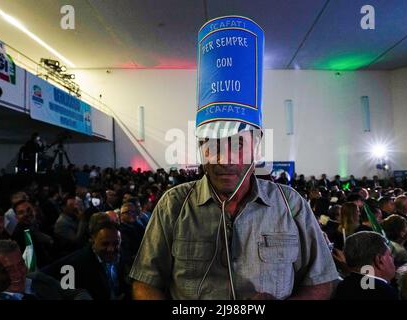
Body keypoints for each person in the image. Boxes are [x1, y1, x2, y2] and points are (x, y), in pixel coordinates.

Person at [129, 16, 338, 300]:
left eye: (237, 144)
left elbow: (321, 282)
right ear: (201, 147)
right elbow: (145, 283)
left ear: (257, 147)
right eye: (213, 144)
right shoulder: (174, 206)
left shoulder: (291, 206)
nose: (224, 158)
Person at [0, 240, 91, 300]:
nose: (19, 273)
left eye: (21, 264)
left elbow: (76, 293)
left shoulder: (37, 278)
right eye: (8, 270)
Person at [334, 231, 398, 300]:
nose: (393, 259)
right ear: (379, 260)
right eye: (390, 255)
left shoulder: (341, 287)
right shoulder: (385, 293)